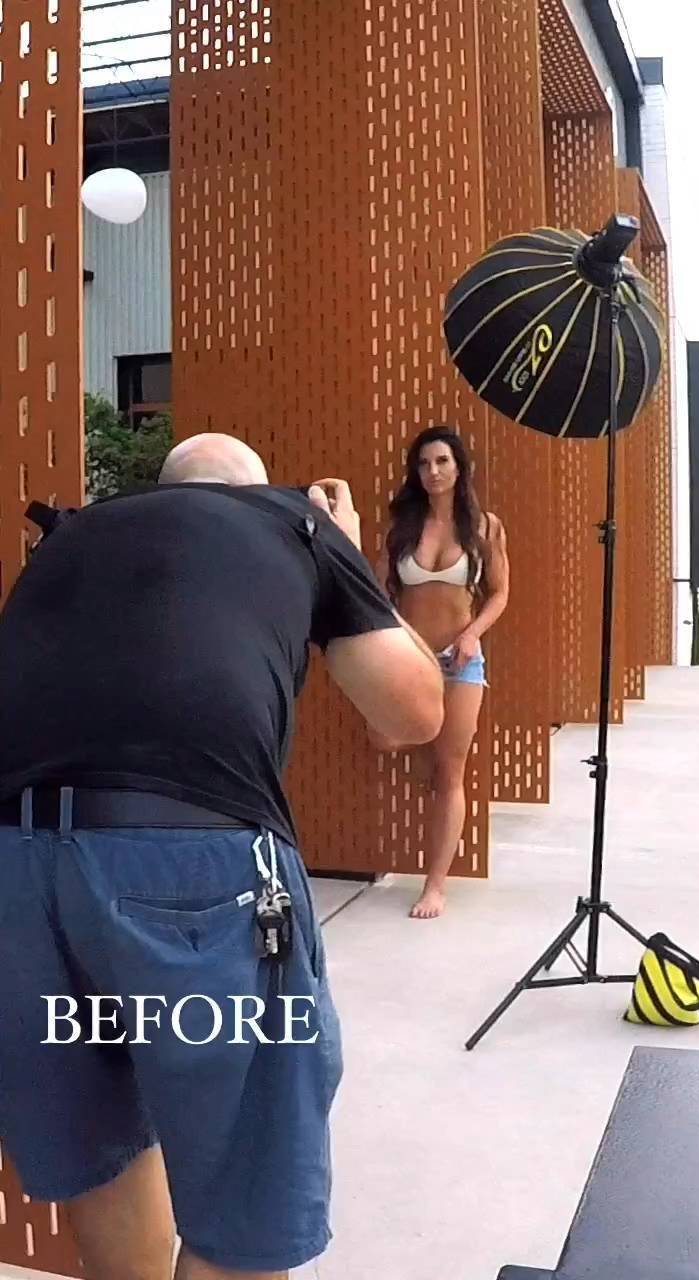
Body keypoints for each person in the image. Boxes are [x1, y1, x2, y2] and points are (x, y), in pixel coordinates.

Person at [0, 433, 444, 1280]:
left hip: (17, 877)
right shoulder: (291, 524)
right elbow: (414, 710)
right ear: (261, 489)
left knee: (103, 1158)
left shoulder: (75, 534)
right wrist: (343, 548)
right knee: (247, 1204)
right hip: (190, 863)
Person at [374, 425, 510, 920]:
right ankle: (426, 745)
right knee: (386, 740)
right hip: (410, 658)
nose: (432, 471)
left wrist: (472, 634)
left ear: (459, 468)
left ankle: (435, 886)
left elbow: (499, 593)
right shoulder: (402, 529)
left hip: (460, 660)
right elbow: (379, 593)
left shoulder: (484, 527)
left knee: (451, 772)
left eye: (442, 462)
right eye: (424, 463)